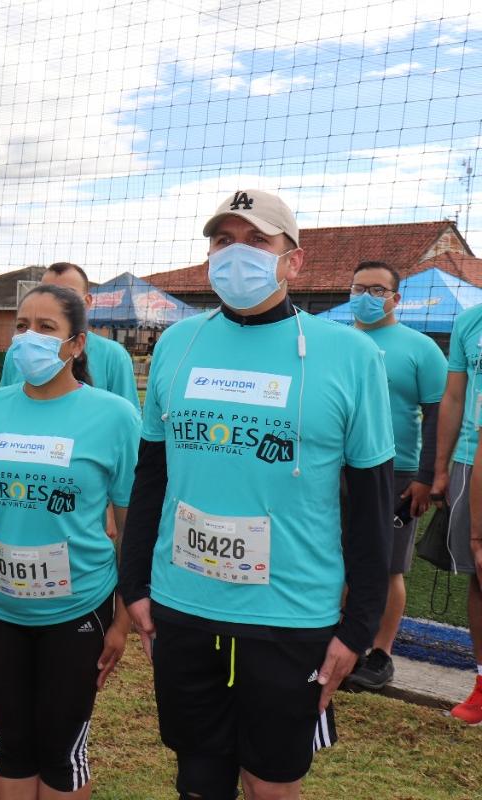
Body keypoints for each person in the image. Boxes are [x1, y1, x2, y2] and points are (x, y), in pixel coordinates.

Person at [120, 190, 394, 800]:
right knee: (197, 778)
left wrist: (358, 628)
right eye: (223, 241)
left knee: (271, 782)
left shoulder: (349, 354)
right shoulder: (177, 345)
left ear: (293, 261)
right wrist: (133, 583)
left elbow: (373, 503)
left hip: (289, 616)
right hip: (182, 604)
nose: (235, 254)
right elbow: (152, 475)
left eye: (256, 241)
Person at [0, 284, 137, 798]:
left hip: (78, 608)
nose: (28, 339)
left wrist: (122, 621)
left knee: (61, 751)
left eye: (46, 328)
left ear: (76, 344)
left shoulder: (115, 416)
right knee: (12, 745)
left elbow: (131, 526)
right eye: (21, 326)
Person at [340, 261, 446, 692]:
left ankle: (381, 655)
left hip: (398, 472)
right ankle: (342, 642)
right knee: (336, 559)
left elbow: (439, 412)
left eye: (378, 289)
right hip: (337, 468)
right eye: (358, 287)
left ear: (396, 298)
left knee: (386, 566)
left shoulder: (421, 349)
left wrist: (426, 476)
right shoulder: (338, 343)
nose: (367, 296)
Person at [432, 279, 482, 724]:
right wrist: (443, 468)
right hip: (471, 461)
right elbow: (453, 396)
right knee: (479, 575)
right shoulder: (469, 321)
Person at [0, 262, 139, 408]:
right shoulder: (18, 351)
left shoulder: (113, 355)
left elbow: (126, 418)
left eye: (67, 295)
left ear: (87, 302)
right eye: (47, 292)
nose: (53, 302)